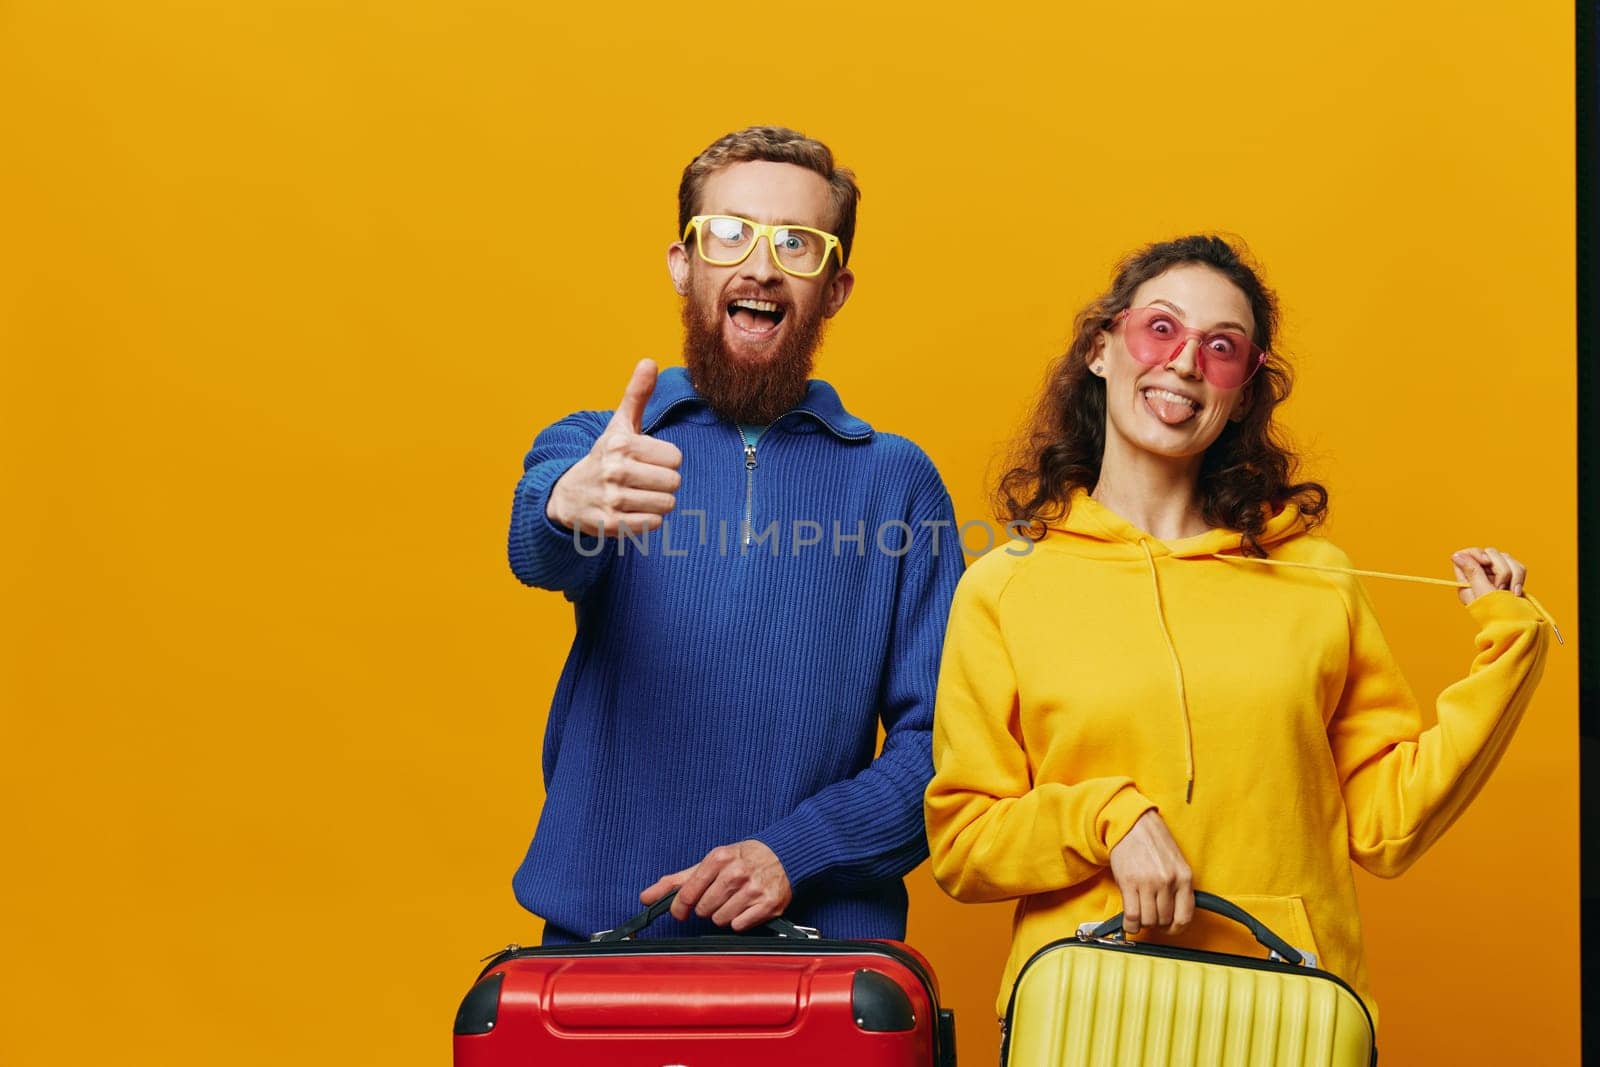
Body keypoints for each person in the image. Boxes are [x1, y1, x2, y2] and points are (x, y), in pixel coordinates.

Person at [923, 234, 1553, 1026]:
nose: (1186, 362)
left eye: (1221, 348)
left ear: (1243, 390)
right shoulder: (1002, 590)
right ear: (1100, 347)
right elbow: (963, 840)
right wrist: (1106, 818)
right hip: (1088, 1006)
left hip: (1285, 1007)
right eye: (1161, 328)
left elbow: (1389, 824)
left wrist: (1508, 648)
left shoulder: (1316, 577)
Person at [507, 126, 965, 943]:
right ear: (684, 265)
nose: (760, 265)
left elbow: (945, 747)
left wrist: (793, 852)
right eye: (730, 234)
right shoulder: (612, 443)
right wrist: (563, 504)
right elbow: (536, 544)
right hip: (601, 949)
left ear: (834, 288)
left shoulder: (896, 482)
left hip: (819, 961)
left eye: (796, 243)